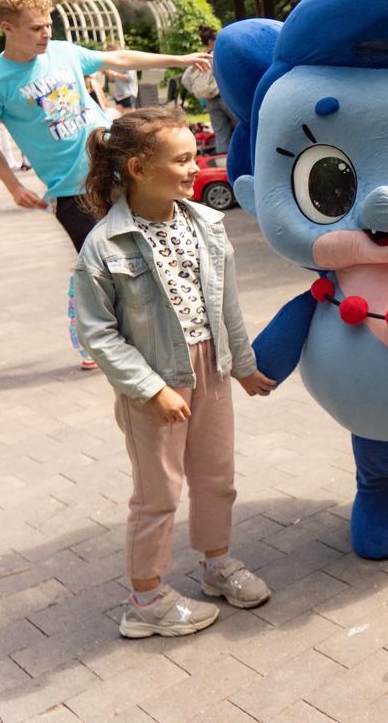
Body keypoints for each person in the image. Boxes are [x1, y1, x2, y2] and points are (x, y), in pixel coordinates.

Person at [74, 107, 277, 638]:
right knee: (158, 494)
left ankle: (217, 564)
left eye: (194, 157)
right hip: (154, 383)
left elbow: (227, 305)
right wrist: (150, 389)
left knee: (216, 477)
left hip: (211, 368)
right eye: (182, 160)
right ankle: (145, 600)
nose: (195, 168)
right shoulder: (104, 244)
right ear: (139, 168)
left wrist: (243, 366)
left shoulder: (206, 223)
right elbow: (97, 333)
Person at [0, 0, 211, 369]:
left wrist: (179, 59)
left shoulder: (63, 52)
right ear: (7, 27)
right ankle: (91, 330)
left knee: (147, 246)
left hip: (118, 164)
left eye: (48, 24)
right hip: (72, 188)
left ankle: (164, 325)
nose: (46, 33)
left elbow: (117, 57)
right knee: (98, 265)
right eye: (36, 28)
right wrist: (13, 186)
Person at [182, 26, 236, 155]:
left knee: (221, 133)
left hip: (210, 101)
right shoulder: (219, 55)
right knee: (240, 128)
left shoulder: (200, 58)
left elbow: (185, 79)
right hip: (225, 97)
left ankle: (222, 162)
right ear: (212, 41)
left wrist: (199, 92)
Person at [101, 42, 139, 111]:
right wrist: (107, 73)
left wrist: (115, 73)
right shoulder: (115, 63)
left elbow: (129, 78)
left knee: (130, 117)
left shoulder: (128, 61)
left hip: (128, 94)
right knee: (120, 116)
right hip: (118, 95)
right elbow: (112, 79)